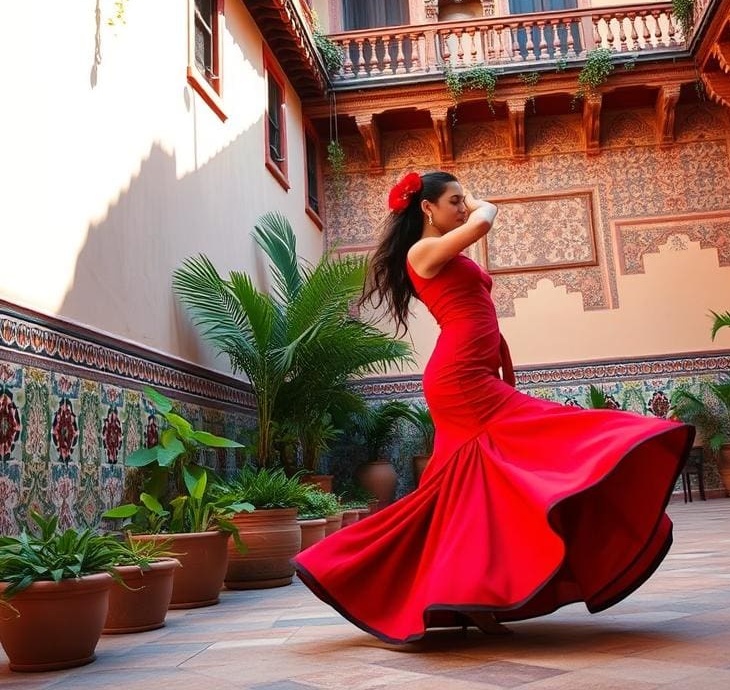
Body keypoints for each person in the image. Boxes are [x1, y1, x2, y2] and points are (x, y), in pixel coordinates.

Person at [293, 170, 694, 644]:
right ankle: (377, 573)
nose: (464, 207)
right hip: (459, 380)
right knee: (547, 432)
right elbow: (484, 222)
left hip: (475, 374)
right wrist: (479, 206)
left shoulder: (443, 247)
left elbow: (472, 234)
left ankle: (452, 590)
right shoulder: (421, 252)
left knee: (457, 491)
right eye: (454, 201)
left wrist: (461, 201)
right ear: (427, 209)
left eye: (464, 201)